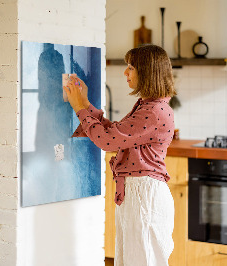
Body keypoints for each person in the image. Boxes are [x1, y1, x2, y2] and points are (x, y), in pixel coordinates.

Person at [64, 44, 176, 266]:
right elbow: (114, 133)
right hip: (139, 193)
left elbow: (107, 141)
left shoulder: (153, 111)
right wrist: (85, 104)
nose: (125, 72)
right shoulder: (149, 106)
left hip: (144, 195)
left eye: (131, 67)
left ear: (147, 72)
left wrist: (79, 108)